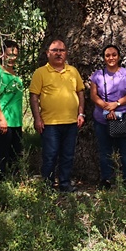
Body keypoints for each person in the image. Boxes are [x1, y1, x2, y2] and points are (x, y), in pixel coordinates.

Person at [28, 38, 86, 192]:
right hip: (49, 123)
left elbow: (80, 92)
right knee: (50, 155)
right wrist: (37, 118)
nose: (58, 54)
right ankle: (47, 186)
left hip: (71, 122)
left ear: (66, 53)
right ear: (48, 53)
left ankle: (64, 184)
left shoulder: (73, 71)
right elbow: (34, 97)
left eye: (62, 50)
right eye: (55, 51)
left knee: (68, 155)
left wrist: (81, 113)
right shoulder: (40, 73)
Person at [88, 43, 126, 188]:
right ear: (104, 58)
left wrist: (115, 104)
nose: (111, 58)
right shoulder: (97, 75)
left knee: (125, 150)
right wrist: (106, 107)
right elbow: (93, 95)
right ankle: (106, 179)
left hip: (123, 117)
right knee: (105, 150)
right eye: (108, 55)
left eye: (114, 55)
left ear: (119, 57)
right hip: (102, 118)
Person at [0, 39, 25, 179]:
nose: (11, 58)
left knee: (16, 154)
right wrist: (1, 119)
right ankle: (0, 182)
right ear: (1, 54)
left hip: (15, 121)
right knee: (3, 154)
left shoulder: (14, 73)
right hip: (2, 122)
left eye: (14, 55)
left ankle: (15, 182)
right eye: (8, 54)